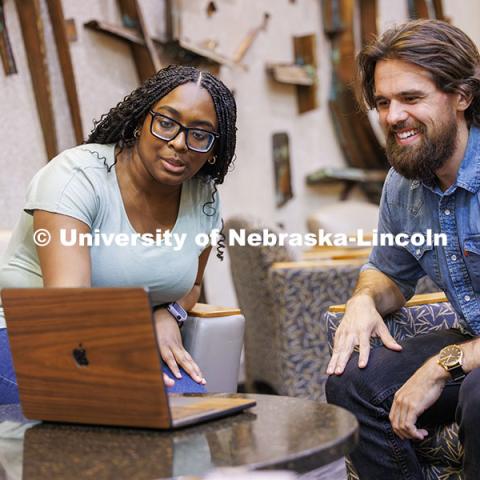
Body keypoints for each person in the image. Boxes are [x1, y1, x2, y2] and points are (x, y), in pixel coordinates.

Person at [0, 64, 237, 404]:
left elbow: (193, 286)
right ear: (141, 121)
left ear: (214, 149)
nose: (180, 143)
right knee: (113, 407)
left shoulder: (204, 198)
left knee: (190, 407)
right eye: (167, 123)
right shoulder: (77, 177)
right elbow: (68, 304)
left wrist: (168, 314)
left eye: (200, 134)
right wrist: (126, 370)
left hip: (127, 337)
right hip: (28, 333)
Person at [325, 20, 480, 479]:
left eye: (411, 99)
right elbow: (388, 270)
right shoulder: (403, 183)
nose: (392, 117)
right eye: (383, 102)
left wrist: (443, 366)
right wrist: (364, 298)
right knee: (352, 382)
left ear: (462, 96)